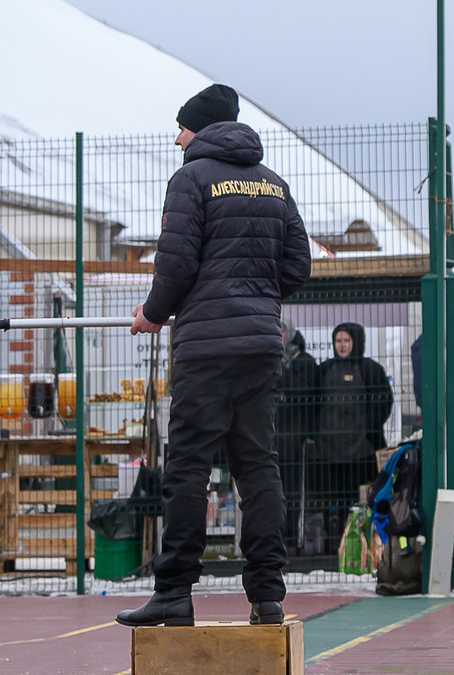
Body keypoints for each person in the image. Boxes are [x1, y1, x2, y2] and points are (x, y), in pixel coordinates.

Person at [118, 84, 309, 628]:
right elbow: (297, 266)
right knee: (257, 466)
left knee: (188, 468)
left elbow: (175, 264)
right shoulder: (273, 184)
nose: (177, 138)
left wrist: (154, 312)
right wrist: (255, 298)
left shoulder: (191, 179)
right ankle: (267, 597)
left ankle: (174, 592)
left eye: (180, 127)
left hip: (205, 349)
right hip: (260, 346)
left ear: (199, 128)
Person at [312, 323, 393, 549]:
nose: (342, 345)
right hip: (330, 453)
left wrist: (367, 429)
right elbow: (312, 404)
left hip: (362, 452)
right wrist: (318, 435)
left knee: (363, 500)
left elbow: (383, 403)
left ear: (356, 342)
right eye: (338, 341)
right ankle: (335, 545)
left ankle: (365, 545)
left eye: (346, 340)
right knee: (334, 501)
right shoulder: (324, 369)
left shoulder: (370, 369)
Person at [275, 323, 321, 557]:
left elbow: (306, 394)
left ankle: (293, 540)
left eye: (282, 331)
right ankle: (271, 539)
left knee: (293, 493)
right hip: (269, 437)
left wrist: (283, 374)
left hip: (294, 440)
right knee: (269, 492)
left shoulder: (305, 362)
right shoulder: (266, 359)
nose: (279, 335)